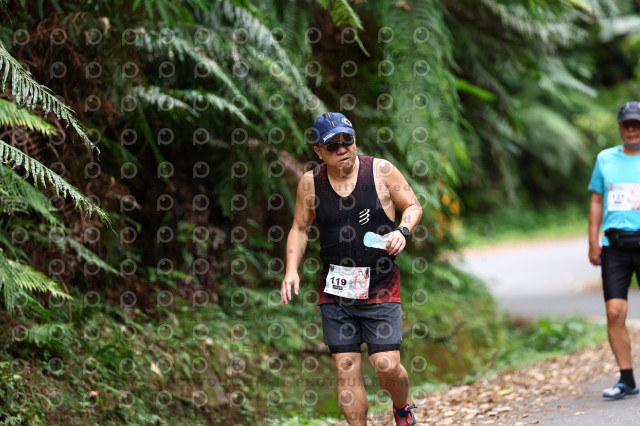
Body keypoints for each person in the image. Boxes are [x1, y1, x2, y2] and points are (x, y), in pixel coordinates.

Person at [281, 112, 423, 425]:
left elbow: (413, 205)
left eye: (347, 140)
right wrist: (291, 269)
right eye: (333, 145)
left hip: (381, 284)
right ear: (318, 151)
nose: (342, 148)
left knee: (385, 364)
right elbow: (300, 228)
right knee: (346, 369)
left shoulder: (381, 171)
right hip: (336, 290)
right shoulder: (311, 183)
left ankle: (402, 408)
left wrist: (402, 231)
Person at [588, 101, 640, 399]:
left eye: (637, 124)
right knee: (614, 312)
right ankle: (626, 378)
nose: (632, 130)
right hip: (614, 247)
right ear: (620, 127)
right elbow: (597, 199)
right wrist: (593, 240)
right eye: (627, 125)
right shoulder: (605, 159)